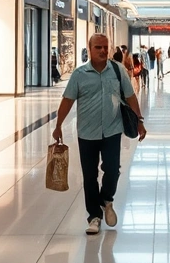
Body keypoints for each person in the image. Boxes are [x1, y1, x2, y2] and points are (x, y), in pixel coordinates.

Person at [54, 34, 146, 235]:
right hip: (87, 132)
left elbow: (130, 95)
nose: (103, 51)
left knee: (113, 169)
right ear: (89, 49)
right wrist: (58, 124)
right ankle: (94, 216)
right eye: (98, 47)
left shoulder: (117, 70)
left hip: (112, 129)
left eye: (105, 47)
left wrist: (139, 121)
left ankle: (107, 199)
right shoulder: (79, 74)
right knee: (89, 175)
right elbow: (67, 101)